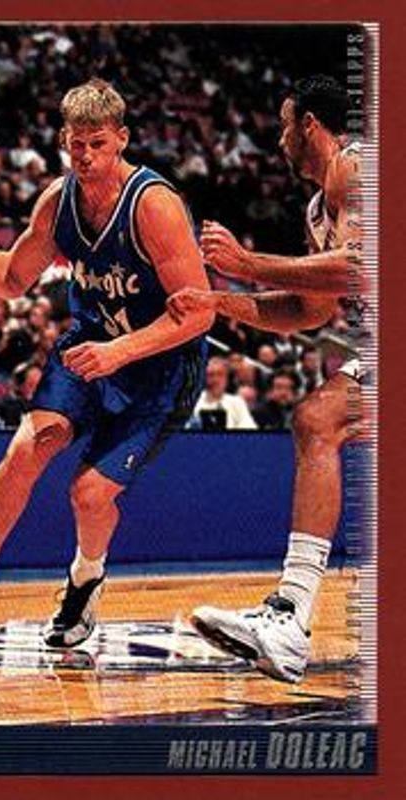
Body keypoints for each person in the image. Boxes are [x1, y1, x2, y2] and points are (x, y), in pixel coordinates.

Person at [0, 79, 212, 646]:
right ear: (63, 140)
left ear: (122, 139)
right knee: (27, 448)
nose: (85, 156)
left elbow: (199, 312)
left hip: (160, 363)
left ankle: (85, 582)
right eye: (76, 145)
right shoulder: (58, 201)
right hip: (89, 344)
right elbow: (13, 279)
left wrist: (120, 351)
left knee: (88, 494)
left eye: (98, 144)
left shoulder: (153, 205)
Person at [167, 75, 364, 683]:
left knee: (318, 418)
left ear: (310, 123)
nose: (279, 140)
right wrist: (219, 300)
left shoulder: (357, 167)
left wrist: (248, 263)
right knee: (317, 422)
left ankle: (289, 618)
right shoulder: (317, 210)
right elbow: (309, 310)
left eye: (284, 125)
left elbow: (359, 269)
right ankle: (289, 619)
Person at [187, 357, 257, 431]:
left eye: (220, 374)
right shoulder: (194, 402)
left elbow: (250, 428)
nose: (215, 380)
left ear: (226, 378)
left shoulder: (236, 402)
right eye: (211, 375)